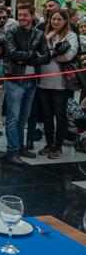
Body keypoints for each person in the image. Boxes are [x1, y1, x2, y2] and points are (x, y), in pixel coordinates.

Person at [4, 3, 51, 164]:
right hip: (15, 80)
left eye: (25, 15)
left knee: (24, 117)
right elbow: (12, 53)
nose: (21, 18)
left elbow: (47, 56)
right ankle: (12, 150)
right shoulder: (11, 32)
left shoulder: (39, 34)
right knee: (13, 117)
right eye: (20, 15)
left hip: (32, 80)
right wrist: (33, 54)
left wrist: (30, 56)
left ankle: (20, 146)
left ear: (32, 16)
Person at [38, 9, 79, 159]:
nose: (55, 22)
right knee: (47, 116)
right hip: (43, 83)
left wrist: (47, 53)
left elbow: (67, 56)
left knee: (60, 117)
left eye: (59, 19)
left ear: (65, 21)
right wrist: (49, 43)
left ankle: (58, 147)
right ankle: (49, 144)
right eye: (53, 19)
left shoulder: (71, 35)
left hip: (61, 85)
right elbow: (37, 53)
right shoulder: (44, 35)